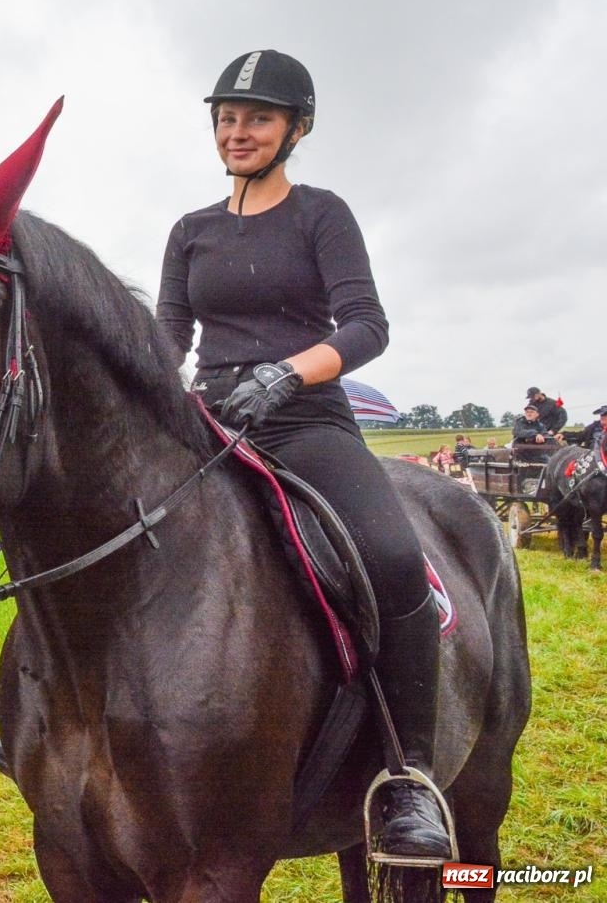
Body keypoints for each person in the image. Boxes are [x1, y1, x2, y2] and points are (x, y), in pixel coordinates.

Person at [153, 49, 451, 858]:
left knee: (390, 556)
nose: (237, 131)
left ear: (296, 128)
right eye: (226, 117)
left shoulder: (323, 214)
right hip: (211, 421)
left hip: (305, 419)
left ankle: (406, 780)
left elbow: (366, 326)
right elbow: (168, 339)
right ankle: (67, 729)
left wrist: (286, 375)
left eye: (256, 118)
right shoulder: (191, 231)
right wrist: (161, 395)